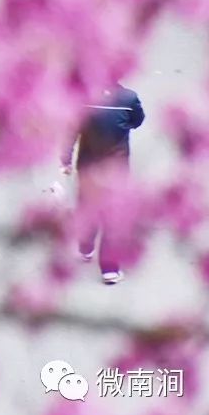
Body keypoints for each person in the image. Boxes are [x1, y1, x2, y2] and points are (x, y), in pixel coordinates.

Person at [61, 82, 145, 285]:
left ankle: (85, 249)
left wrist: (66, 159)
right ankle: (109, 269)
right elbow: (138, 120)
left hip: (88, 166)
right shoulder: (129, 98)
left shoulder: (84, 98)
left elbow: (72, 130)